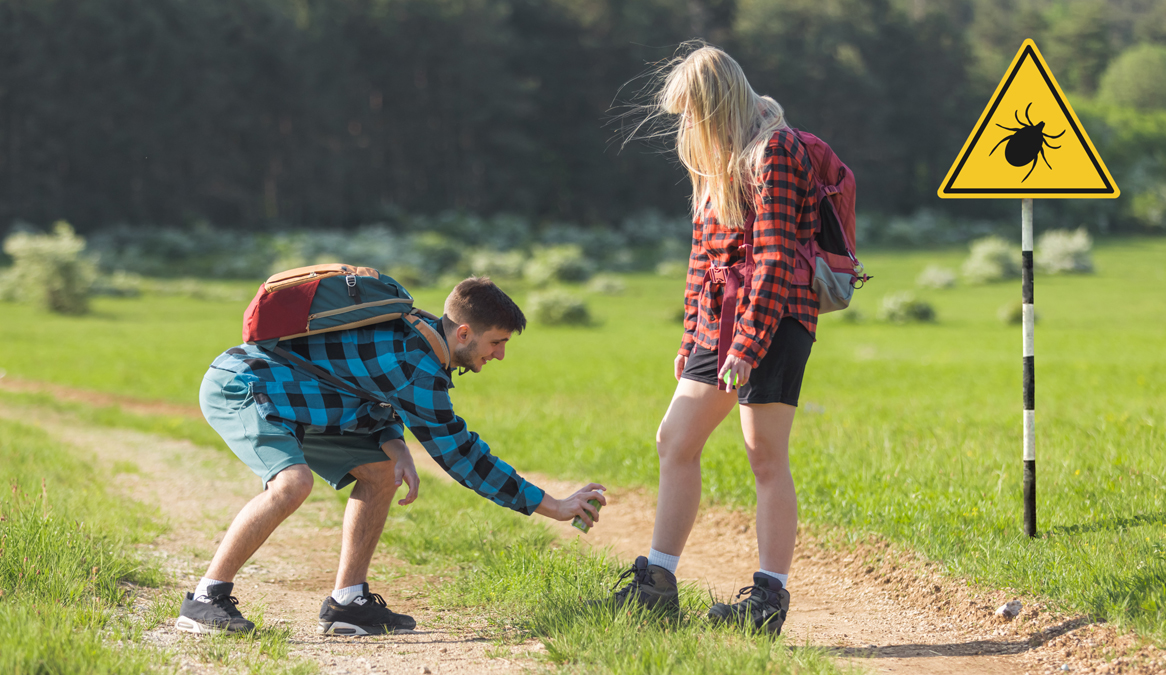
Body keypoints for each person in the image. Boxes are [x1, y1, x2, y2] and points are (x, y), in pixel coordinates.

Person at [177, 276, 606, 636]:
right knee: (293, 484)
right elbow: (463, 457)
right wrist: (552, 505)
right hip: (246, 386)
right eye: (495, 342)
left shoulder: (418, 332)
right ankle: (204, 599)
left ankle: (347, 603)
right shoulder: (418, 364)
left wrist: (393, 440)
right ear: (463, 333)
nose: (499, 354)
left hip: (302, 399)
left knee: (382, 472)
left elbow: (363, 381)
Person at [595, 44, 819, 633]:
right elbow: (703, 259)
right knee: (675, 438)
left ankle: (768, 601)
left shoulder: (776, 150)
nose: (686, 126)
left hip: (776, 316)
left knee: (764, 455)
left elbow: (773, 260)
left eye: (692, 112)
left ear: (715, 103)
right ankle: (657, 585)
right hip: (720, 318)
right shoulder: (713, 161)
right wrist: (692, 333)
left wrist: (745, 346)